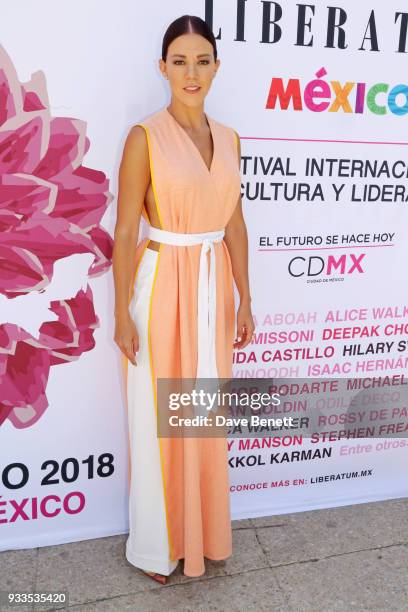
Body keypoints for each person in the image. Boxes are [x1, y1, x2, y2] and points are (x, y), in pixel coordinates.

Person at [112, 14, 254, 584]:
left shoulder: (231, 137)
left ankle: (205, 537)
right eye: (180, 61)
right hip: (162, 281)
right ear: (162, 68)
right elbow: (124, 231)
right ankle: (155, 546)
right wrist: (122, 310)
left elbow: (235, 222)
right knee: (157, 419)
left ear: (216, 67)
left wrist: (246, 297)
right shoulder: (144, 136)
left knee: (200, 417)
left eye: (202, 61)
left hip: (213, 284)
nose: (191, 73)